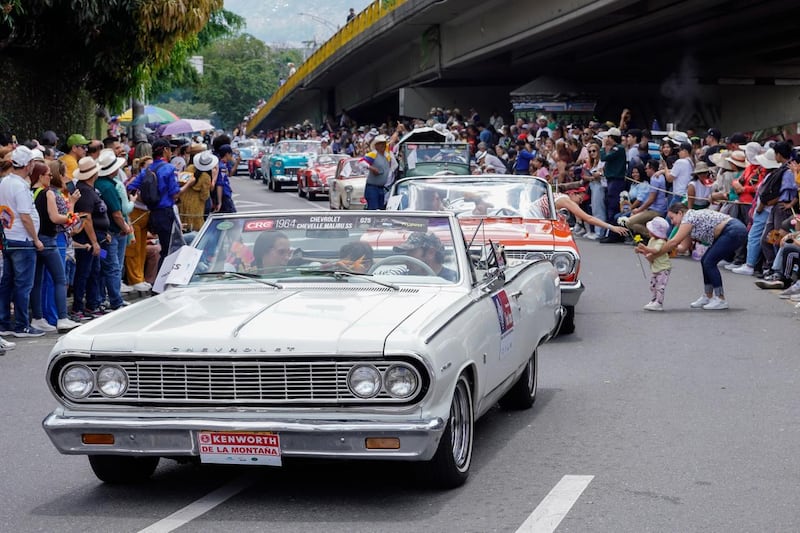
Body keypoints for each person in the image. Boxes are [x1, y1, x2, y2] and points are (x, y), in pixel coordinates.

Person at [653, 203, 747, 310]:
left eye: (672, 218)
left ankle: (720, 298)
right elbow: (682, 247)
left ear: (680, 213)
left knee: (709, 262)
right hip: (731, 230)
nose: (672, 222)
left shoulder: (688, 218)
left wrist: (656, 253)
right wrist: (664, 249)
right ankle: (708, 295)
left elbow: (674, 242)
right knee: (705, 260)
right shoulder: (688, 223)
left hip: (733, 230)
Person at [0, 146, 46, 338]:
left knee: (8, 283)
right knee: (23, 285)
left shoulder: (5, 182)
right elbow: (26, 216)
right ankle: (21, 325)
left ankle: (4, 323)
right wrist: (36, 239)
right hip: (23, 239)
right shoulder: (19, 185)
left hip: (10, 238)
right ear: (28, 165)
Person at [29, 162, 81, 332]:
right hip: (49, 239)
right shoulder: (47, 193)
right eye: (48, 175)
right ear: (41, 176)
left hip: (36, 237)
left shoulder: (31, 192)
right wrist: (70, 216)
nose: (50, 178)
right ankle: (62, 317)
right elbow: (55, 217)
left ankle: (37, 317)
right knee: (60, 279)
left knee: (37, 280)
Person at [127, 139, 180, 268]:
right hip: (166, 213)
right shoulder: (169, 168)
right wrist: (189, 184)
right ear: (166, 150)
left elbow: (130, 187)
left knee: (163, 246)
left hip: (152, 213)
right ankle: (163, 281)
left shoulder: (147, 170)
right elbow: (175, 193)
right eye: (170, 149)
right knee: (170, 249)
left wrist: (145, 198)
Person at [634, 217, 672, 311]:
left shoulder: (660, 241)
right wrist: (641, 250)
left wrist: (644, 248)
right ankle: (654, 300)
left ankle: (659, 303)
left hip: (663, 268)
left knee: (660, 286)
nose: (649, 232)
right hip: (656, 267)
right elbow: (649, 253)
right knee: (653, 285)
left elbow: (655, 251)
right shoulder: (652, 240)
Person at [393, 232, 457, 281]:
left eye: (412, 252)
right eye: (407, 253)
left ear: (431, 253)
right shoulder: (401, 277)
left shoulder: (453, 280)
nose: (407, 258)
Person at [180, 150, 216, 232]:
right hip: (197, 205)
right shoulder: (206, 177)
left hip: (184, 200)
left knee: (184, 225)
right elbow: (204, 196)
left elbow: (181, 182)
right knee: (196, 228)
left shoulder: (189, 168)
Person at [362, 134, 393, 210]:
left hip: (382, 188)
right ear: (376, 146)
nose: (383, 145)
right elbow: (361, 162)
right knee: (373, 209)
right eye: (381, 144)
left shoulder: (387, 155)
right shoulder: (373, 154)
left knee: (381, 209)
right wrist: (371, 168)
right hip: (372, 187)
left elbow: (392, 142)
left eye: (384, 144)